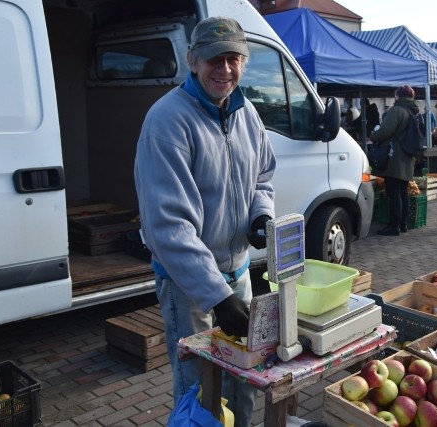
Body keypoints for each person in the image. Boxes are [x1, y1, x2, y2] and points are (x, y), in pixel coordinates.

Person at [134, 17, 276, 427]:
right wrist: (217, 295)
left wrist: (260, 216)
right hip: (189, 287)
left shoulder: (246, 113)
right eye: (214, 59)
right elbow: (168, 226)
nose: (225, 69)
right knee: (198, 387)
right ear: (193, 61)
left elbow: (263, 176)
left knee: (244, 379)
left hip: (239, 273)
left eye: (233, 58)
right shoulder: (167, 121)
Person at [368, 85, 418, 236]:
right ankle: (403, 225)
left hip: (395, 156)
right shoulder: (412, 111)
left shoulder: (397, 110)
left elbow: (385, 130)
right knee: (403, 192)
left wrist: (373, 135)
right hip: (407, 157)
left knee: (393, 192)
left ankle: (394, 226)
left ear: (398, 95)